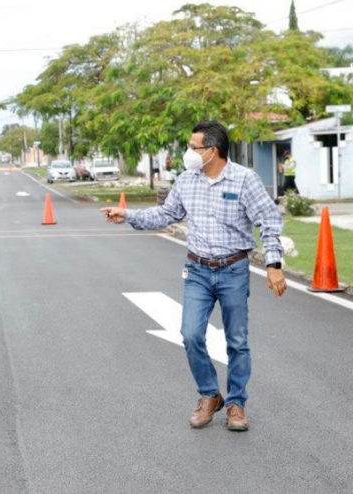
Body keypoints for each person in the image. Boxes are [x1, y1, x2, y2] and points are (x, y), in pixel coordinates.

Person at [101, 120, 286, 432]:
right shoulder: (187, 180)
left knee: (237, 341)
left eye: (193, 147)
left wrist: (274, 264)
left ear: (212, 151)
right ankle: (210, 395)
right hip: (197, 270)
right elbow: (166, 214)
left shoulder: (244, 180)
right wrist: (128, 215)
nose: (188, 152)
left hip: (233, 270)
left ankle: (236, 403)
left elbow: (269, 220)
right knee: (190, 335)